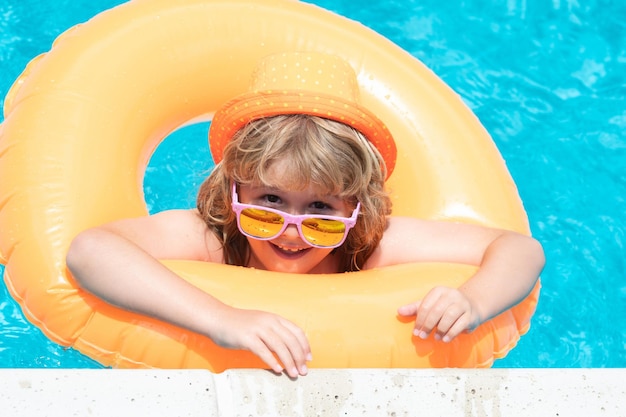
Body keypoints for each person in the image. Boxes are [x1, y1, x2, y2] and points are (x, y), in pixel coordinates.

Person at [66, 52, 545, 378]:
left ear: (357, 208)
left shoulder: (368, 245)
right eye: (268, 203)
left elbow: (519, 249)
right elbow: (91, 251)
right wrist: (221, 319)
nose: (290, 232)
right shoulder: (217, 236)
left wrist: (472, 301)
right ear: (234, 190)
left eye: (320, 211)